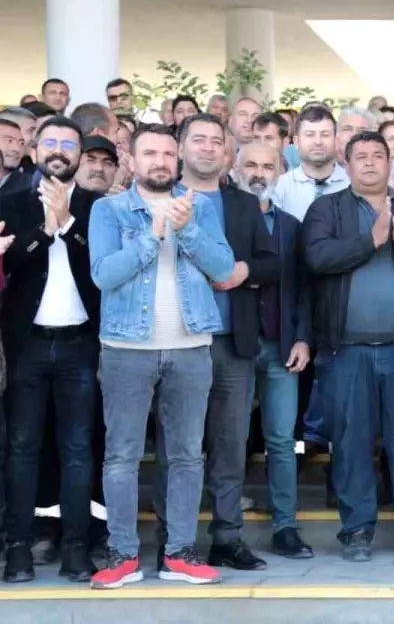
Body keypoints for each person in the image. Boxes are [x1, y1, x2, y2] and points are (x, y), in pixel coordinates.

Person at [87, 124, 234, 589]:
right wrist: (152, 235)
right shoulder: (108, 210)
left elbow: (225, 268)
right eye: (150, 153)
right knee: (121, 456)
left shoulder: (202, 207)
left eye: (168, 153)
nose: (161, 161)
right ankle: (123, 554)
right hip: (126, 349)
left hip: (191, 347)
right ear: (131, 160)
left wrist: (187, 229)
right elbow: (104, 275)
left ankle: (179, 554)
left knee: (189, 455)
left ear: (179, 159)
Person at [302, 130, 394, 562]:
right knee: (351, 446)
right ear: (345, 164)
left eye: (378, 156)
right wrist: (371, 240)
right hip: (345, 351)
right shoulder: (325, 210)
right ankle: (356, 531)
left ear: (392, 164)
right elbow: (317, 258)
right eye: (361, 156)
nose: (370, 163)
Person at [156, 114, 279, 573]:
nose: (208, 148)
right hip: (176, 341)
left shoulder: (243, 205)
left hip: (232, 341)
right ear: (181, 148)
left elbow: (272, 262)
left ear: (227, 153)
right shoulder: (158, 198)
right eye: (199, 140)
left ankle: (227, 538)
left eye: (216, 142)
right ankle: (172, 542)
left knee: (230, 446)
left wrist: (244, 271)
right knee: (177, 447)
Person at [0, 117, 102, 584]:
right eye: (51, 143)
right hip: (27, 347)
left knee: (78, 449)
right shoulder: (10, 201)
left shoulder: (98, 207)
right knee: (21, 448)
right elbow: (13, 261)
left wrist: (70, 224)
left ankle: (76, 546)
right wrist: (46, 227)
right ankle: (17, 547)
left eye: (69, 144)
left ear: (79, 154)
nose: (59, 150)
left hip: (80, 346)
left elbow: (99, 266)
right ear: (34, 148)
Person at [233, 143, 314, 559]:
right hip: (235, 347)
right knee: (229, 440)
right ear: (235, 168)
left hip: (283, 345)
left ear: (281, 172)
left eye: (268, 166)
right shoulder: (221, 216)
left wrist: (303, 337)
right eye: (251, 164)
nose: (259, 173)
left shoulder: (291, 225)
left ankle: (286, 527)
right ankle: (227, 531)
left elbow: (302, 289)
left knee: (282, 440)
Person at [272, 105, 351, 222]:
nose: (318, 142)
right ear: (296, 142)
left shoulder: (352, 185)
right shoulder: (279, 188)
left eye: (325, 134)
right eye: (310, 134)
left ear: (336, 141)